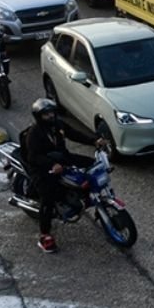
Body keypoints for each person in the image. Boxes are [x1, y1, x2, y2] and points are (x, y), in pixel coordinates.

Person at [23, 98, 108, 253]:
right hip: (42, 169)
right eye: (46, 114)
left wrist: (94, 140)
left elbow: (74, 134)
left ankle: (87, 197)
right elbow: (33, 157)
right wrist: (51, 164)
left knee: (92, 166)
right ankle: (45, 236)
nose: (50, 116)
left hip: (63, 159)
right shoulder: (34, 133)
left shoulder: (58, 125)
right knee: (47, 199)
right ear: (38, 116)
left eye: (52, 113)